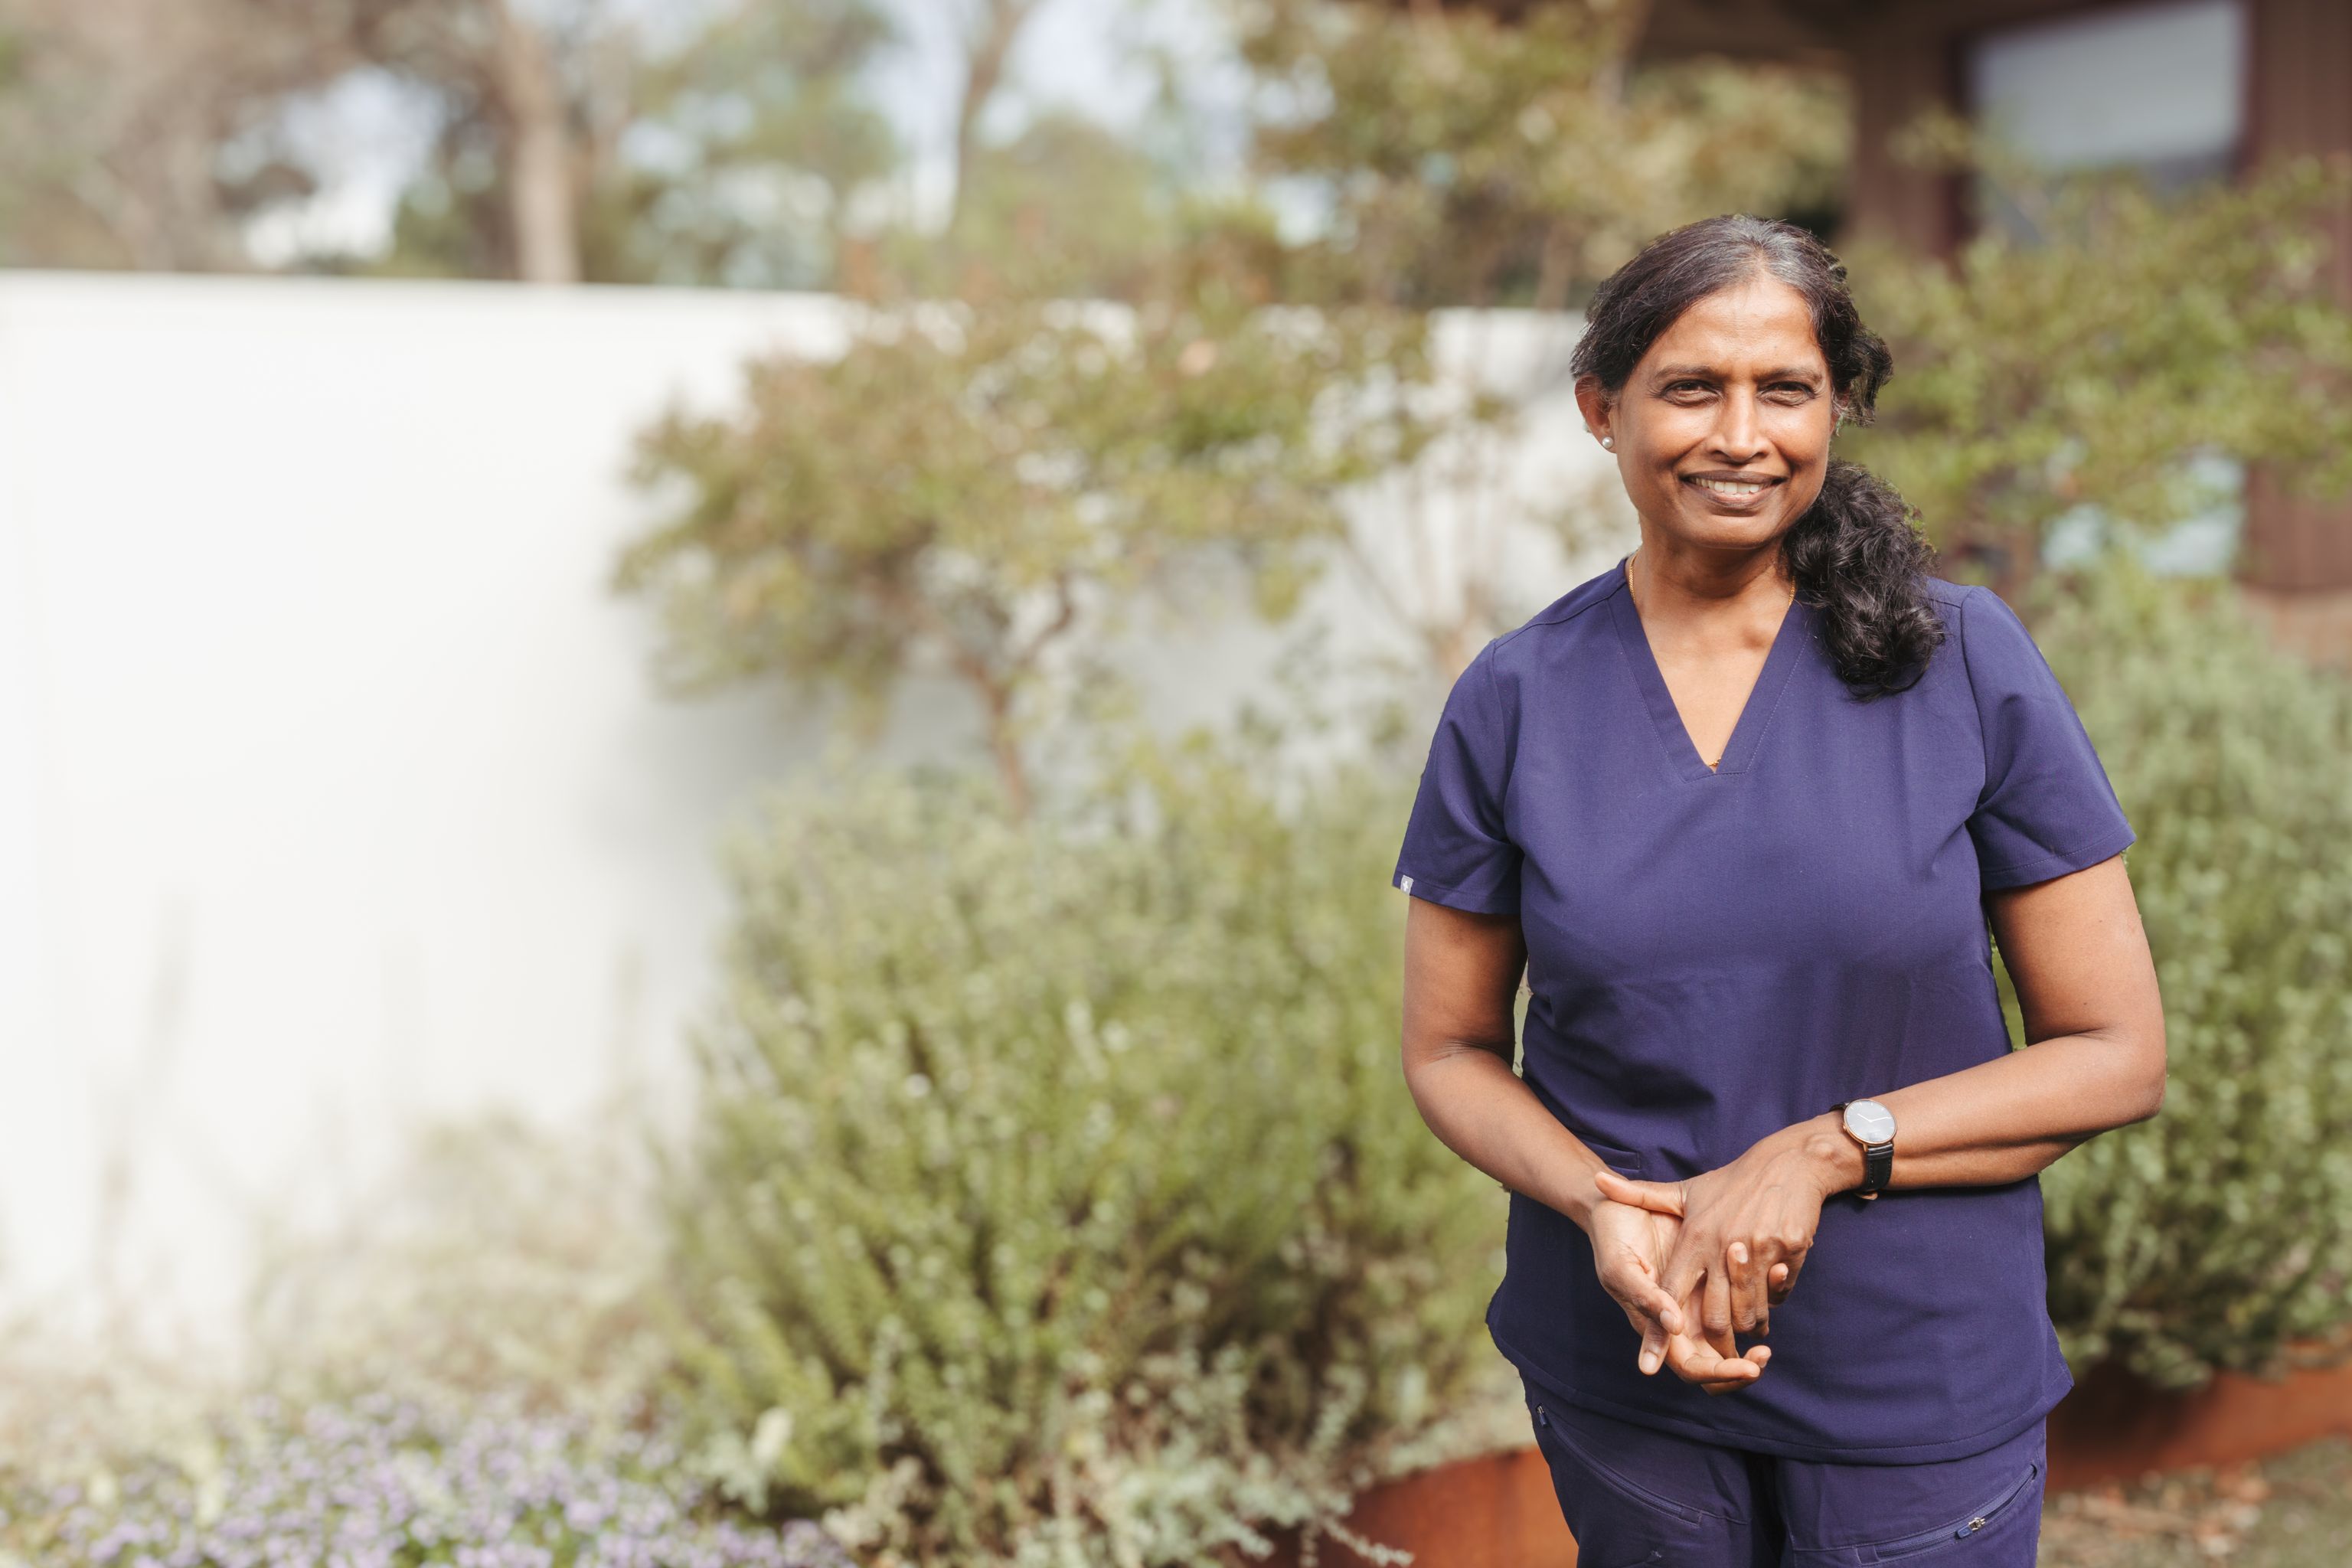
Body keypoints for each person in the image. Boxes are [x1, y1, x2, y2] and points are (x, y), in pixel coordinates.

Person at [1391, 213, 2166, 1566]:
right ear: (1602, 409)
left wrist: (1819, 1151)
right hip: (1630, 1367)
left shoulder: (1963, 661)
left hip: (1916, 1379)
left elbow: (2116, 1054)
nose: (1741, 436)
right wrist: (1597, 1203)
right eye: (1693, 387)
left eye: (1786, 390)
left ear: (1837, 408)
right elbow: (1448, 1049)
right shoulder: (1516, 698)